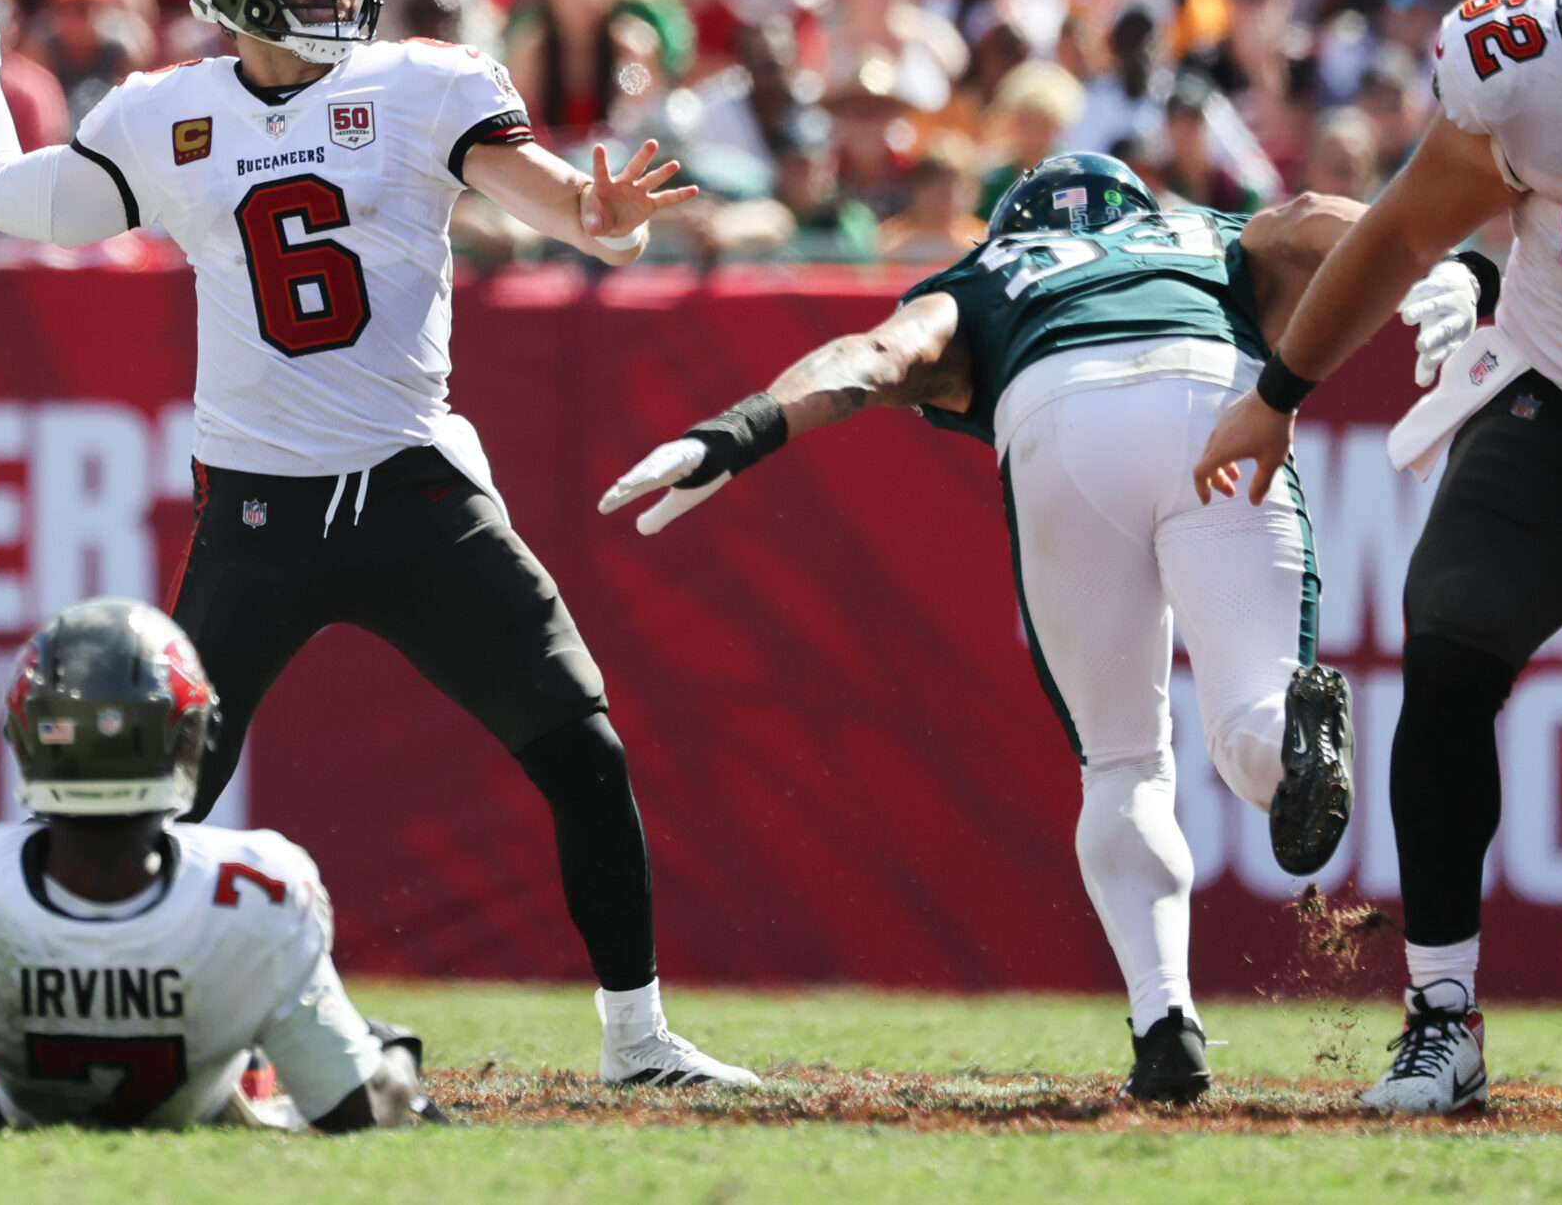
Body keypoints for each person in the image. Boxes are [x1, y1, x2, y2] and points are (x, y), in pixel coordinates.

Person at [0, 0, 752, 1088]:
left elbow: (536, 189)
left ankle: (638, 1038)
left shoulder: (424, 84)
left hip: (418, 491)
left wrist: (598, 217)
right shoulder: (166, 113)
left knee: (581, 742)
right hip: (258, 514)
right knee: (143, 790)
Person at [601, 153, 1479, 1100]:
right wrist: (1432, 263)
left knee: (1125, 761)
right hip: (1216, 391)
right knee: (1251, 720)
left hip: (1061, 412)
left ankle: (1165, 1021)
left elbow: (879, 357)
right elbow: (1306, 214)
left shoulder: (988, 273)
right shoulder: (1197, 234)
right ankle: (1283, 745)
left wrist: (738, 430)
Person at [1193, 0, 1562, 1115]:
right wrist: (1276, 395)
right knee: (1448, 638)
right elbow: (1397, 227)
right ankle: (1442, 1013)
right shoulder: (1528, 54)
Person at [0, 599, 437, 1131]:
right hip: (203, 1092)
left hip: (3, 1095)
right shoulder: (259, 886)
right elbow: (359, 1113)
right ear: (185, 736)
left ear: (28, 735)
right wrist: (397, 1054)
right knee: (267, 1030)